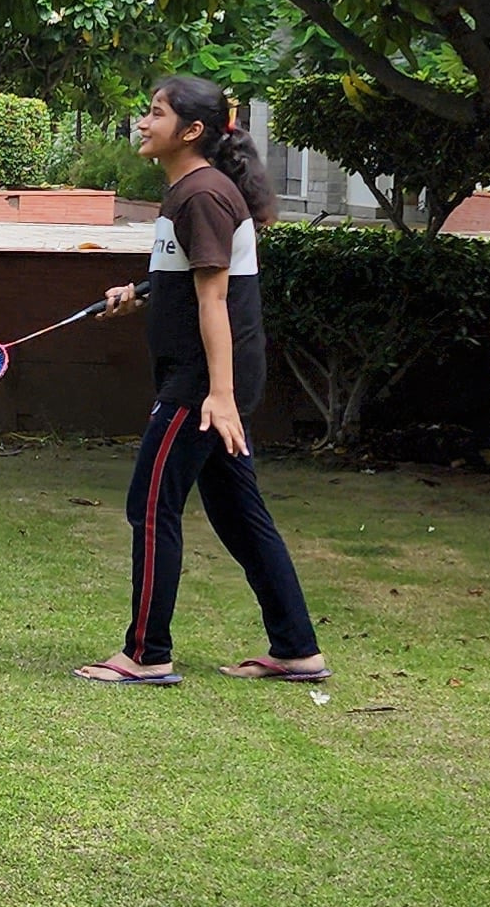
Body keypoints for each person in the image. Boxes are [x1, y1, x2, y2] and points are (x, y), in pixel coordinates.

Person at [75, 75, 328, 686]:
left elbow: (217, 301)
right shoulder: (190, 192)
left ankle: (147, 653)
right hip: (209, 383)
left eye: (155, 113)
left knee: (152, 504)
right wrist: (138, 294)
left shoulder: (202, 195)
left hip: (201, 387)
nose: (143, 122)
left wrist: (218, 395)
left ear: (191, 131)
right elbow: (188, 279)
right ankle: (296, 648)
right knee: (240, 515)